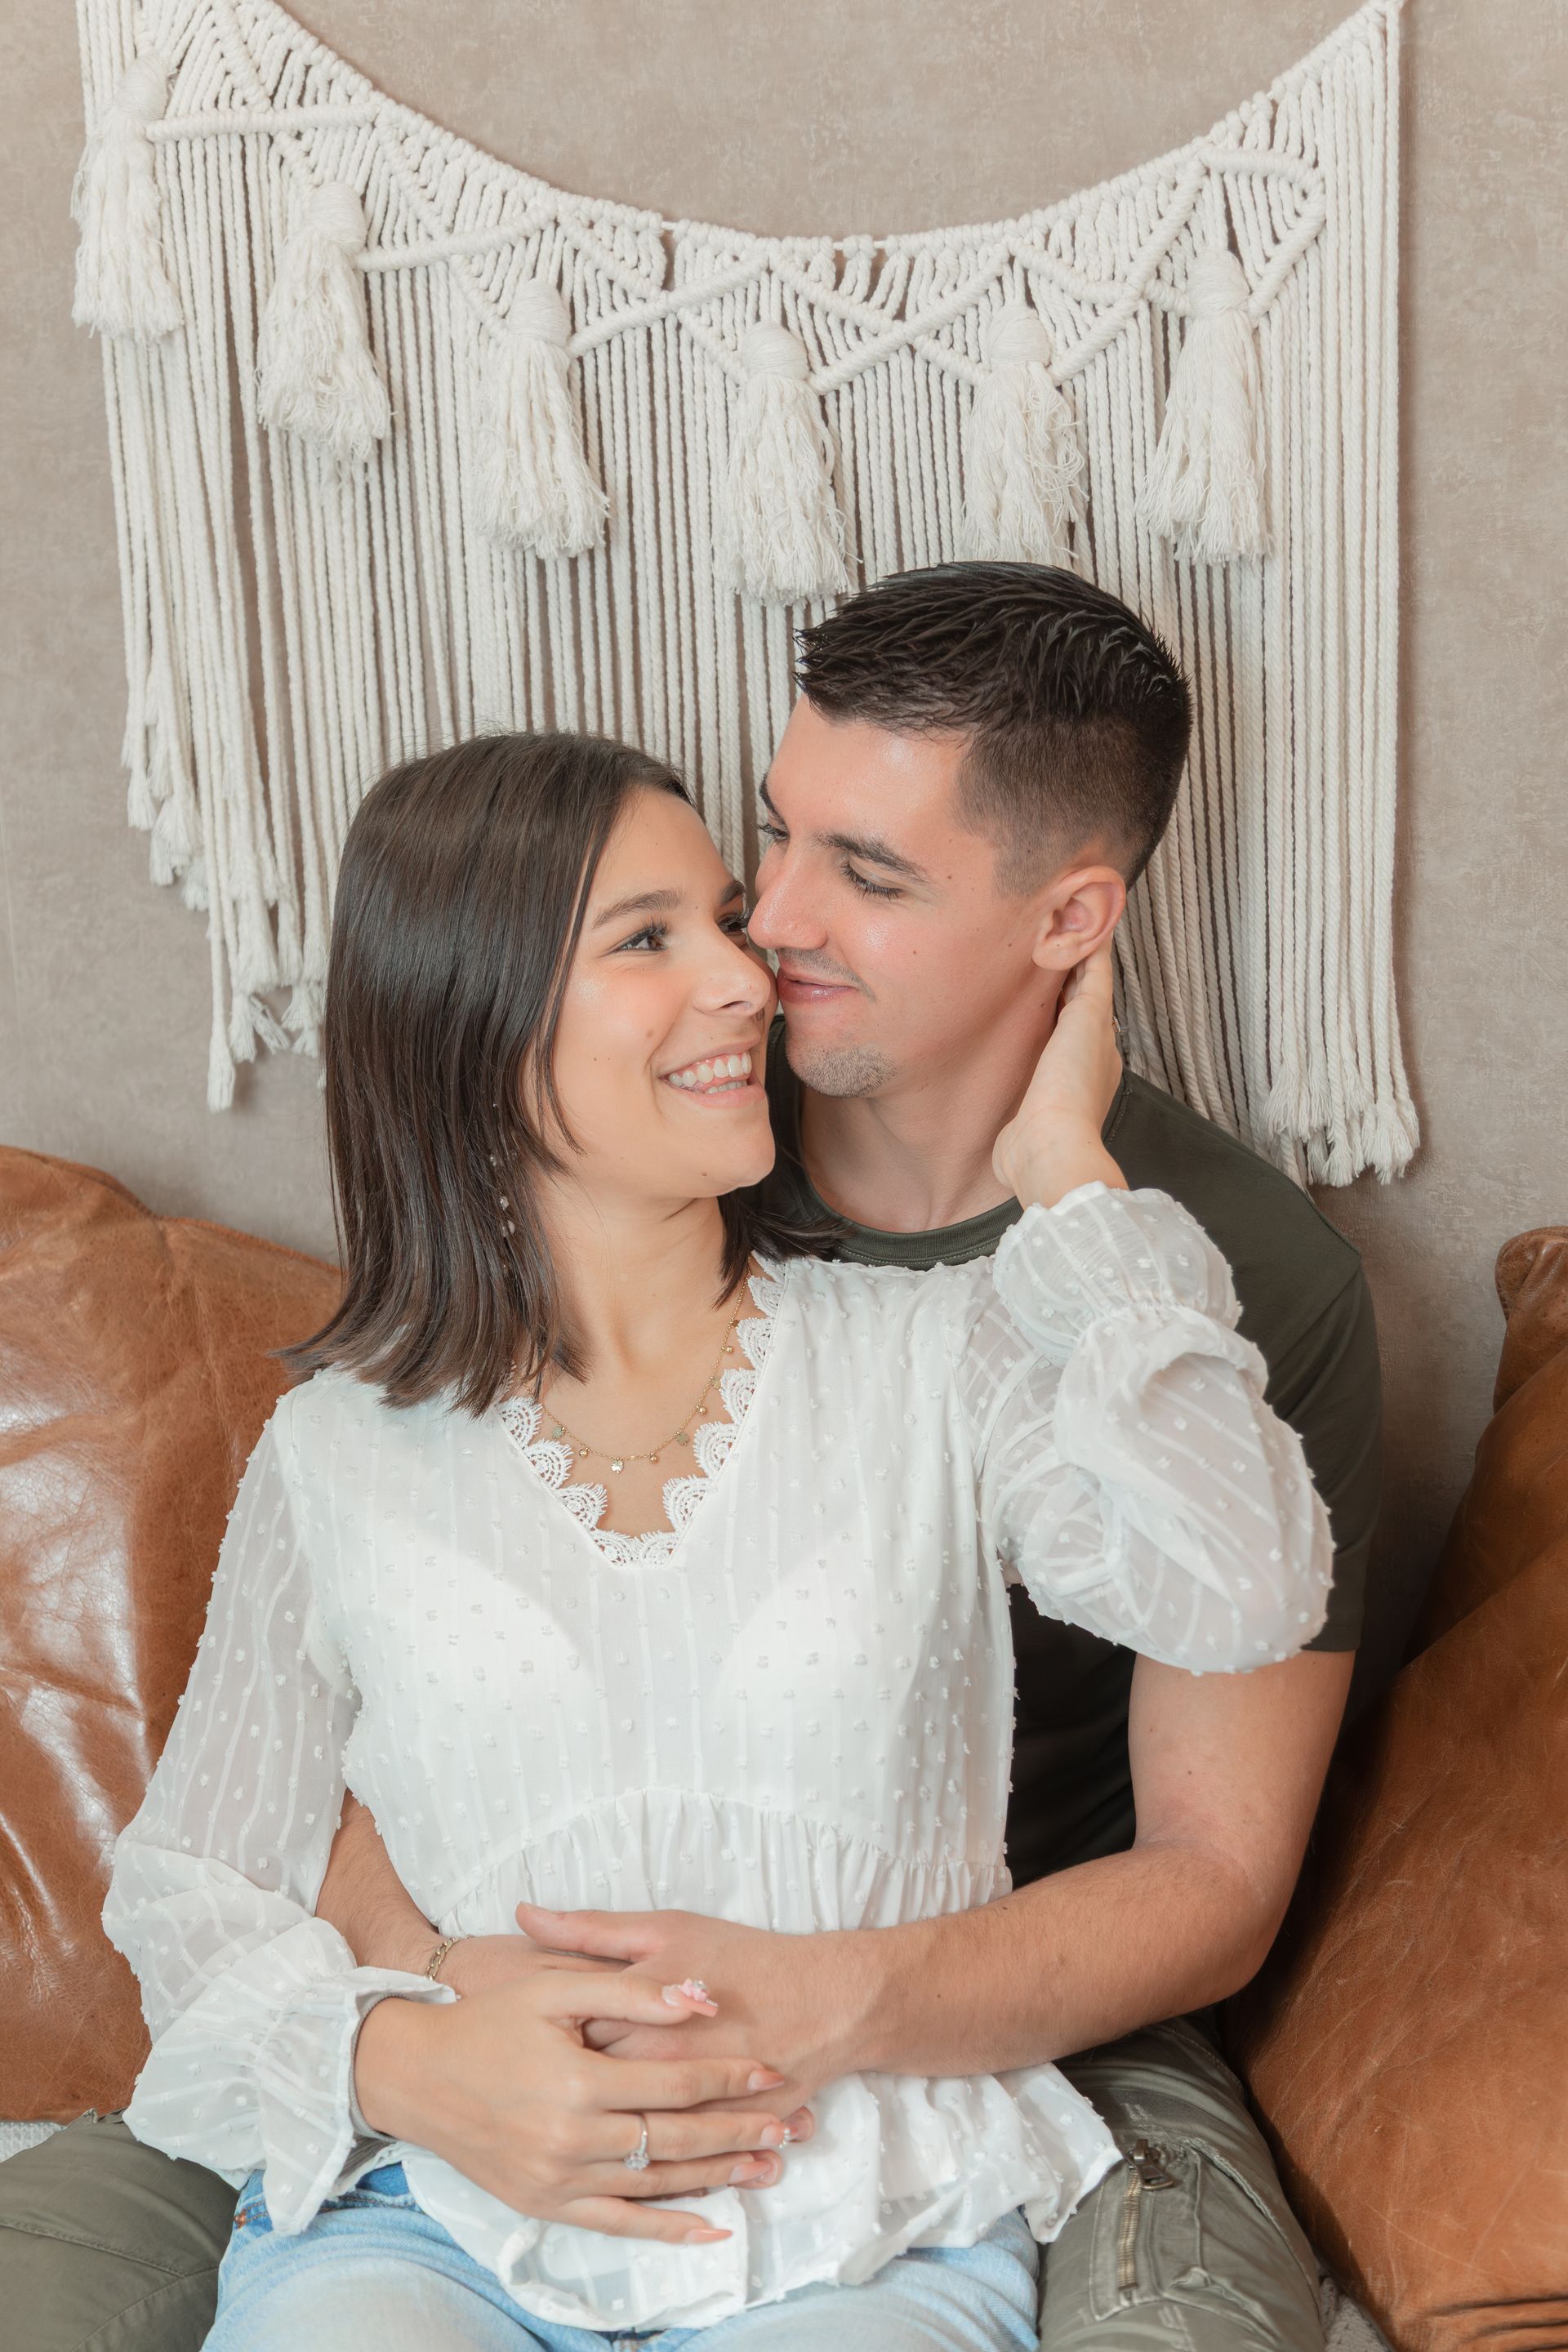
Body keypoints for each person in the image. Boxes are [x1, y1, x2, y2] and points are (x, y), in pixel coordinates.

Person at [0, 565, 1378, 2351]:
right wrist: (423, 2032)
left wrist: (1073, 1185)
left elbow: (1225, 1770)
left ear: (1068, 922)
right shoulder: (423, 1373)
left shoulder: (1096, 1314)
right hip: (467, 2150)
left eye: (857, 880)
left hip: (931, 2089)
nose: (764, 949)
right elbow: (331, 1780)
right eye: (749, 867)